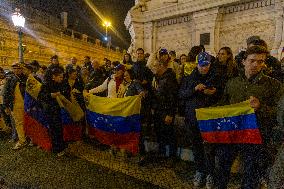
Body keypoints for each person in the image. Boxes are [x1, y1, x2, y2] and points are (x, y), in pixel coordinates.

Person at [215, 46, 283, 189]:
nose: (256, 65)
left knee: (251, 174)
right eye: (252, 61)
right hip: (231, 134)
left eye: (260, 61)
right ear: (243, 61)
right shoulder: (232, 83)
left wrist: (261, 107)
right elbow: (223, 105)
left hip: (255, 136)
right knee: (222, 168)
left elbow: (279, 113)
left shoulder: (273, 85)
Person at [179, 52, 222, 188]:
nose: (204, 68)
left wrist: (215, 93)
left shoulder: (216, 77)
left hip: (208, 121)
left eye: (207, 65)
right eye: (202, 65)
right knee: (197, 147)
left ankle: (210, 174)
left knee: (209, 149)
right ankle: (200, 171)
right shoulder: (189, 78)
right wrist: (194, 89)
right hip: (192, 120)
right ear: (197, 64)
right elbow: (181, 94)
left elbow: (222, 96)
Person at [150, 48, 178, 167]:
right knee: (160, 133)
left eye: (155, 67)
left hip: (166, 112)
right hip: (158, 111)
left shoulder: (169, 78)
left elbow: (173, 97)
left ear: (161, 66)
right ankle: (161, 154)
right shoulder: (158, 78)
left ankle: (172, 156)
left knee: (170, 135)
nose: (153, 69)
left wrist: (170, 114)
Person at [38, 67, 68, 156]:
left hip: (57, 110)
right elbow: (40, 97)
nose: (61, 79)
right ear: (53, 77)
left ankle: (61, 145)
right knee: (54, 130)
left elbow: (66, 91)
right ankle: (57, 148)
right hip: (50, 110)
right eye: (60, 77)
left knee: (59, 129)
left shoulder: (60, 84)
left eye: (62, 77)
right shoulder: (46, 85)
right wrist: (51, 95)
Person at [3, 63, 28, 150]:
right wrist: (6, 106)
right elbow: (5, 93)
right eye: (15, 68)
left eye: (19, 68)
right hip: (15, 105)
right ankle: (22, 140)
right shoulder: (10, 79)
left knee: (27, 122)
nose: (17, 70)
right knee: (19, 123)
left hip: (27, 104)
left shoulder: (26, 78)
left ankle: (27, 139)